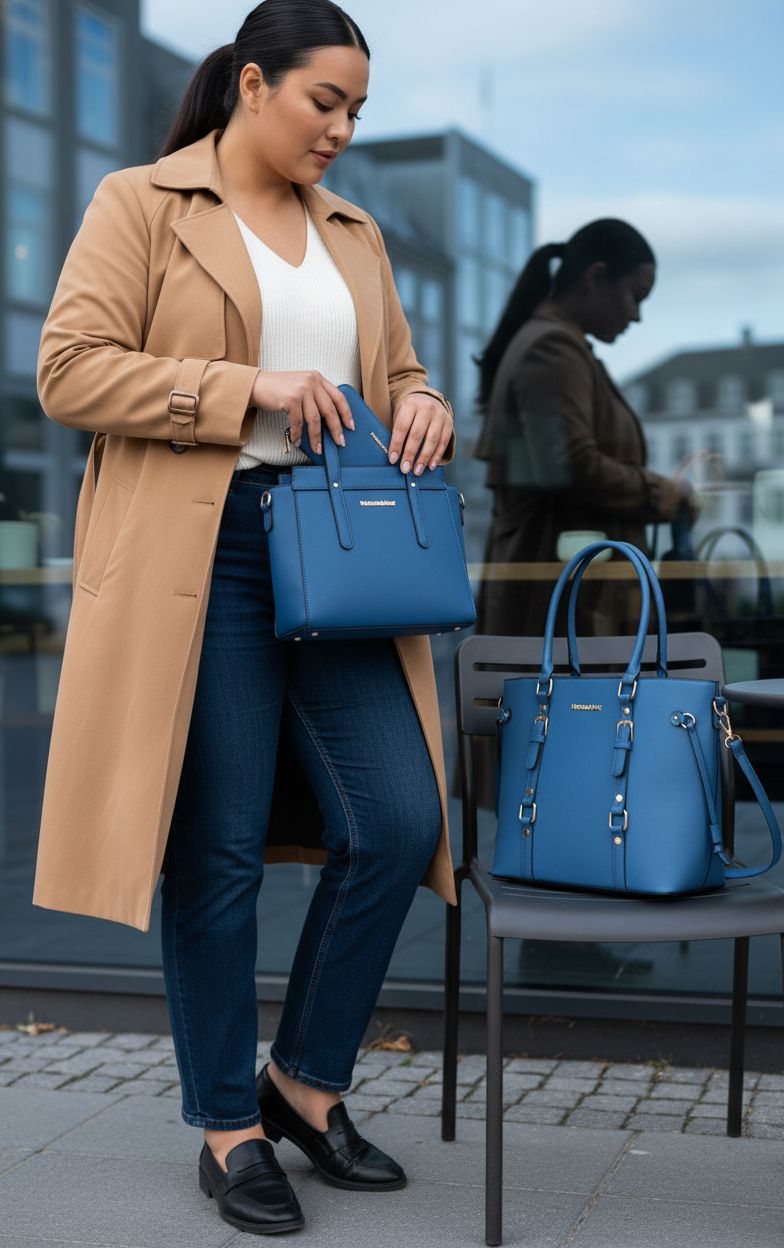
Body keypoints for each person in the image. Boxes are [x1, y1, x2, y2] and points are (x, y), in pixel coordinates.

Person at [32, 0, 456, 1235]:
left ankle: (303, 1083)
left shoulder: (357, 233)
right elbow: (69, 368)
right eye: (326, 102)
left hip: (338, 552)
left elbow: (399, 370)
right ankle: (227, 1128)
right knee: (210, 849)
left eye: (359, 112)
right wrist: (243, 387)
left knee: (398, 818)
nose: (342, 130)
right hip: (201, 554)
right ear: (254, 84)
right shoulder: (142, 204)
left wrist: (422, 403)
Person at [474, 219, 696, 643]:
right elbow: (571, 466)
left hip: (568, 600)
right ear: (596, 278)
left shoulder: (557, 344)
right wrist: (664, 494)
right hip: (562, 611)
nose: (637, 314)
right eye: (635, 295)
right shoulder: (552, 348)